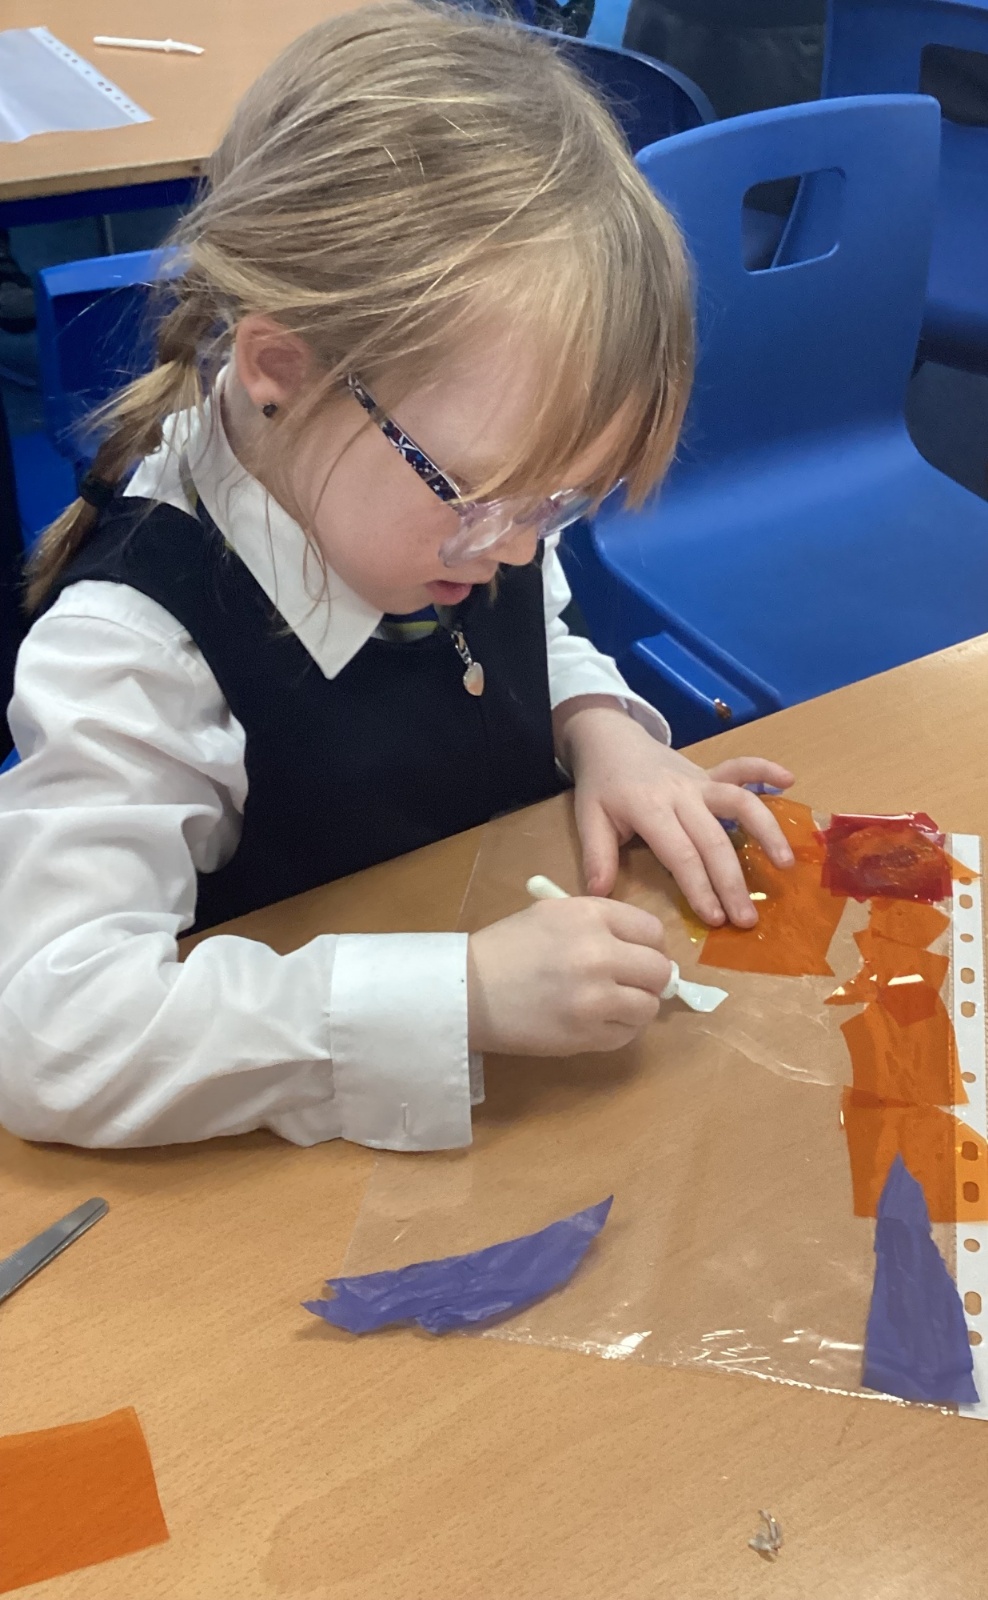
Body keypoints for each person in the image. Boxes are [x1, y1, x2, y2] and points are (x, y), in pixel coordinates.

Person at [0, 1, 794, 1152]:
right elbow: (48, 1031)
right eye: (489, 497)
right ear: (282, 368)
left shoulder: (455, 489)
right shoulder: (138, 646)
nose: (519, 548)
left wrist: (598, 726)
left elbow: (539, 614)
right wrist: (458, 996)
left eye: (560, 501)